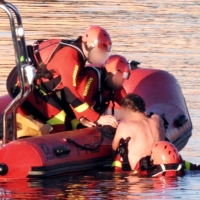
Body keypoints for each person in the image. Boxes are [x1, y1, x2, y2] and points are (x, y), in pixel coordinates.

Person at [7, 26, 118, 132]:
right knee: (59, 119)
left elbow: (71, 90)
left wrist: (81, 117)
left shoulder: (77, 54)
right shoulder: (71, 58)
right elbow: (71, 95)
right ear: (89, 45)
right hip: (22, 85)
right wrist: (97, 118)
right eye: (100, 52)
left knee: (69, 120)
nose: (101, 57)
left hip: (35, 86)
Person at [71, 54, 131, 129]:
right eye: (118, 78)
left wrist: (142, 115)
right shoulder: (91, 77)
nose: (120, 82)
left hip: (92, 116)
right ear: (109, 74)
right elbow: (78, 102)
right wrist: (87, 119)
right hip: (72, 112)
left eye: (122, 79)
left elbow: (129, 103)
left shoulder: (116, 87)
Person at [112, 93, 166, 170]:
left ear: (127, 111)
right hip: (160, 170)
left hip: (139, 175)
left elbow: (114, 149)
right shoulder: (158, 119)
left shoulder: (124, 126)